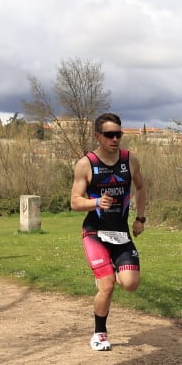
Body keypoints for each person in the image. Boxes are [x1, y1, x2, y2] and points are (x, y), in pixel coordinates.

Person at [70, 113, 146, 351]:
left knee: (130, 283)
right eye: (109, 135)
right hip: (95, 232)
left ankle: (107, 273)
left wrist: (140, 218)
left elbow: (141, 188)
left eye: (118, 134)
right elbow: (74, 201)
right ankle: (99, 333)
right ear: (97, 136)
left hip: (120, 232)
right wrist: (95, 203)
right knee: (108, 285)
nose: (115, 139)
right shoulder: (86, 164)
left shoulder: (130, 160)